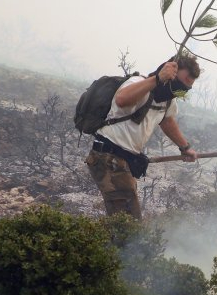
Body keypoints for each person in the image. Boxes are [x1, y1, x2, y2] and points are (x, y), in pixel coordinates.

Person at [85, 55, 201, 219]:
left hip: (123, 161)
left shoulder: (167, 100)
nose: (179, 91)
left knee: (124, 220)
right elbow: (122, 99)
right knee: (127, 223)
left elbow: (167, 121)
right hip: (107, 157)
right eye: (180, 84)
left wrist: (185, 148)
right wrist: (158, 79)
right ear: (168, 72)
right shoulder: (138, 84)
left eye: (185, 90)